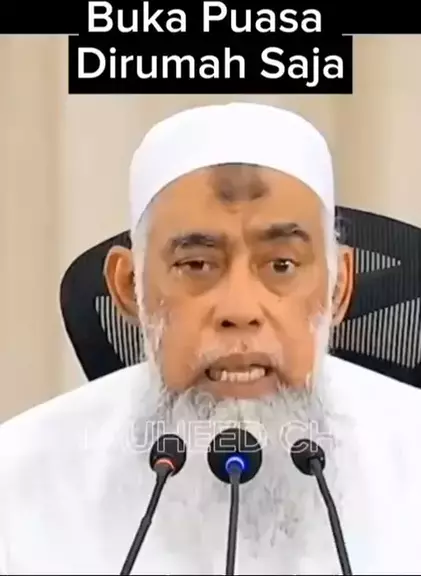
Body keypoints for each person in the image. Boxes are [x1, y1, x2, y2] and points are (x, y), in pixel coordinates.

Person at [1, 103, 421, 575]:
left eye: (281, 265)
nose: (239, 309)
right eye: (196, 264)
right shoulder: (18, 485)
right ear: (129, 287)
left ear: (339, 287)